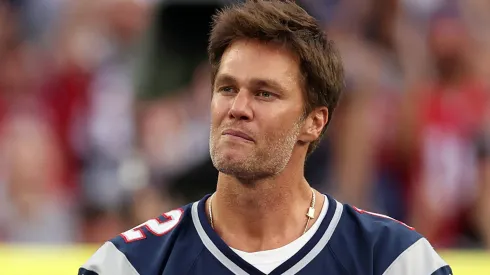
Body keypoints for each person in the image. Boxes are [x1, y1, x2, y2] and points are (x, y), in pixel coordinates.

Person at [79, 1, 453, 274]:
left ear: (314, 122)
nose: (237, 107)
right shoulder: (128, 265)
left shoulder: (394, 260)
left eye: (264, 93)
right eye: (226, 89)